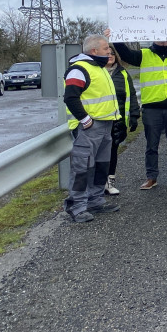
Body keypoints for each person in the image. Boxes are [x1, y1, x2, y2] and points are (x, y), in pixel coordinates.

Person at [109, 30, 167, 190]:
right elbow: (125, 54)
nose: (164, 39)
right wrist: (116, 37)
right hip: (152, 108)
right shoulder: (144, 54)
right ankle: (151, 177)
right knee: (152, 145)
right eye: (160, 35)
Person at [63, 35, 121, 223]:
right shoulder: (79, 69)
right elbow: (71, 97)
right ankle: (77, 207)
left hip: (105, 125)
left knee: (101, 166)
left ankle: (95, 201)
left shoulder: (99, 68)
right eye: (106, 49)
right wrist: (85, 120)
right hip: (89, 128)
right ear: (94, 51)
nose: (109, 52)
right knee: (83, 168)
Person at [104, 49, 140, 196]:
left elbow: (131, 95)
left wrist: (134, 115)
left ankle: (109, 182)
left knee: (112, 152)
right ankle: (97, 184)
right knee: (98, 155)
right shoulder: (96, 72)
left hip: (118, 121)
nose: (110, 56)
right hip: (100, 119)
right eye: (107, 54)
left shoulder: (123, 73)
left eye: (112, 54)